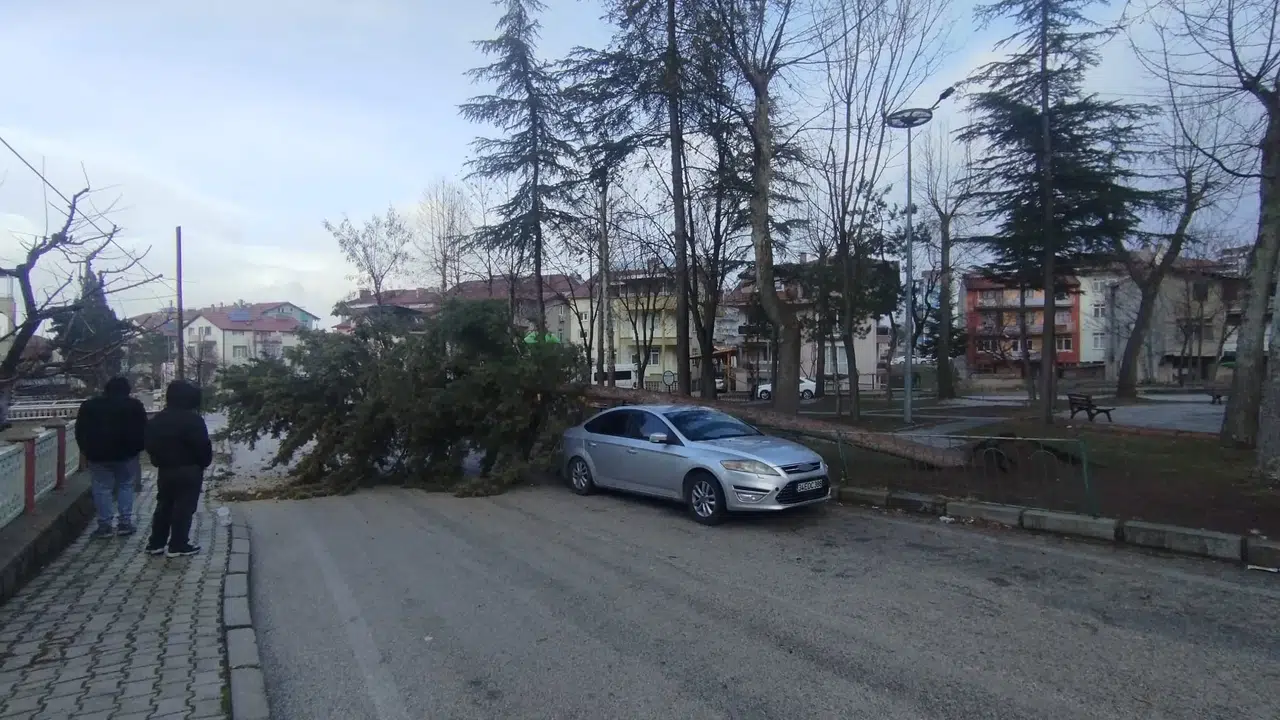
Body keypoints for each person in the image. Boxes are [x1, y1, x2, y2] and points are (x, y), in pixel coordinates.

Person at [144, 380, 213, 557]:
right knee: (184, 507)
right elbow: (202, 446)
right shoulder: (193, 420)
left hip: (165, 470)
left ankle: (156, 543)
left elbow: (150, 444)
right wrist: (203, 463)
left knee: (164, 505)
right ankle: (178, 544)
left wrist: (158, 460)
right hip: (190, 469)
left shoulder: (158, 420)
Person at [75, 376, 148, 539]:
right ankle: (125, 523)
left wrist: (86, 450)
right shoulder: (134, 406)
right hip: (127, 454)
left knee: (101, 488)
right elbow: (144, 429)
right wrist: (138, 448)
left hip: (98, 455)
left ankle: (105, 525)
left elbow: (80, 431)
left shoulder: (89, 406)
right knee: (126, 485)